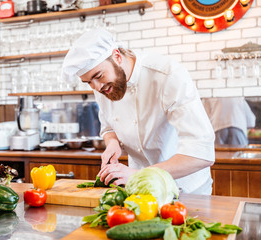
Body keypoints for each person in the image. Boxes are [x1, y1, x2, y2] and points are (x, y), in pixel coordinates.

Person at [62, 28, 216, 195]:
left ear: (117, 56)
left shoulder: (167, 75)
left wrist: (139, 174)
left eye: (98, 76)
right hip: (139, 189)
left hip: (185, 189)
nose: (96, 87)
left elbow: (201, 152)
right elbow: (108, 127)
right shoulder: (102, 86)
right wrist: (113, 144)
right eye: (88, 82)